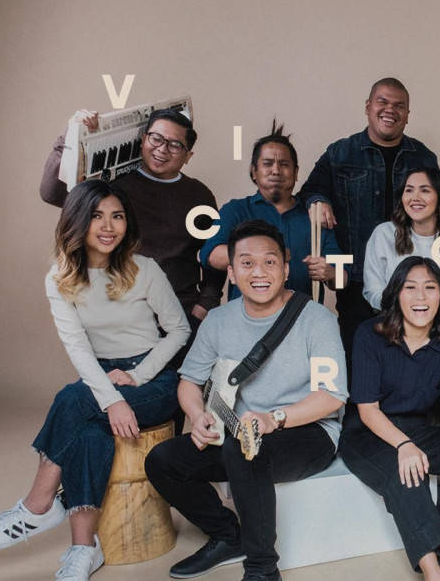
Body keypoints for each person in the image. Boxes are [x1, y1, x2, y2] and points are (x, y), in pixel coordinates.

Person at [0, 180, 189, 581]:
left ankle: (37, 505)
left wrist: (136, 376)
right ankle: (84, 548)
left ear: (127, 223)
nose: (108, 226)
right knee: (89, 427)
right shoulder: (60, 278)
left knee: (73, 399)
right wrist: (112, 398)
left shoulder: (145, 270)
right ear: (77, 221)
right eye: (96, 216)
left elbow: (179, 330)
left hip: (154, 378)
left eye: (117, 216)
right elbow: (78, 349)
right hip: (100, 375)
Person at [144, 220, 348, 581]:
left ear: (286, 270)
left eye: (270, 262)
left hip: (307, 431)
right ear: (232, 274)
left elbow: (330, 397)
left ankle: (261, 569)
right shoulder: (218, 320)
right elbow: (189, 382)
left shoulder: (317, 320)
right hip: (238, 431)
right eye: (247, 263)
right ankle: (227, 536)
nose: (259, 272)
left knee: (244, 451)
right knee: (163, 460)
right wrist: (197, 415)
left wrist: (274, 418)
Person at [339, 257, 440, 581]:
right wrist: (404, 445)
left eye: (430, 288)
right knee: (404, 471)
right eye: (410, 288)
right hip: (366, 432)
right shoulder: (369, 334)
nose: (420, 297)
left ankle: (435, 534)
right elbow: (367, 409)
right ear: (396, 294)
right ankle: (434, 571)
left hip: (417, 428)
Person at [40, 108, 224, 353]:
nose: (162, 149)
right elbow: (51, 193)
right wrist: (70, 136)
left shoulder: (199, 196)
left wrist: (207, 303)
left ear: (188, 155)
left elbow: (214, 251)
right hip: (120, 316)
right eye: (156, 138)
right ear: (143, 140)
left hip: (181, 314)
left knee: (180, 379)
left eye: (174, 145)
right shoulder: (113, 185)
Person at [297, 78, 439, 374]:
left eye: (399, 105)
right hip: (356, 279)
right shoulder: (340, 153)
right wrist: (319, 201)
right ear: (368, 106)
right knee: (358, 361)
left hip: (409, 280)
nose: (390, 110)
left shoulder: (423, 156)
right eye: (382, 102)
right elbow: (309, 191)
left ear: (408, 114)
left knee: (407, 365)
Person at [201, 121, 344, 301]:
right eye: (267, 163)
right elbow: (211, 256)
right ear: (254, 171)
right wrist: (266, 255)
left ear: (296, 172)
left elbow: (342, 279)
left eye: (284, 164)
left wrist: (331, 272)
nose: (276, 170)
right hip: (247, 315)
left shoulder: (315, 215)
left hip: (303, 316)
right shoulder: (235, 210)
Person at [364, 168, 440, 324]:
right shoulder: (383, 234)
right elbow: (373, 288)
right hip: (394, 323)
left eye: (425, 190)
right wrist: (403, 318)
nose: (415, 198)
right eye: (409, 190)